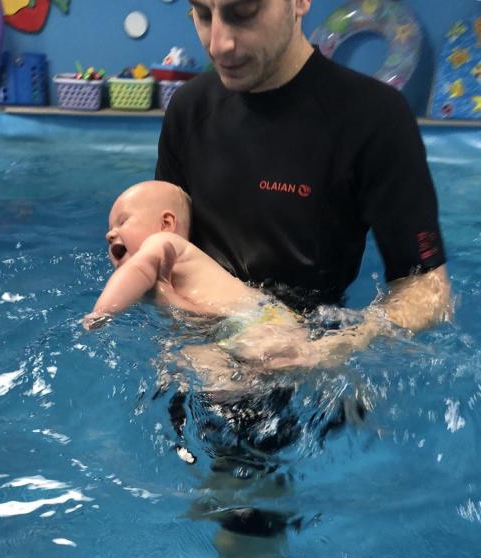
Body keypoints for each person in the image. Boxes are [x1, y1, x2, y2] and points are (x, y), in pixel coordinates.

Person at [155, 0, 453, 367]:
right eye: (203, 14)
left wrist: (327, 351)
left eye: (244, 12)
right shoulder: (189, 108)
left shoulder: (375, 117)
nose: (218, 44)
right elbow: (161, 246)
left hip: (304, 368)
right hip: (198, 358)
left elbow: (428, 289)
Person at [82, 180, 310, 376]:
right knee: (195, 365)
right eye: (110, 228)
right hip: (230, 329)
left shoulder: (163, 243)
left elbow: (137, 271)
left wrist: (102, 312)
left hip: (256, 321)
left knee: (280, 357)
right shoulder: (161, 277)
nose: (109, 234)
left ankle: (319, 352)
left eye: (122, 221)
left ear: (166, 224)